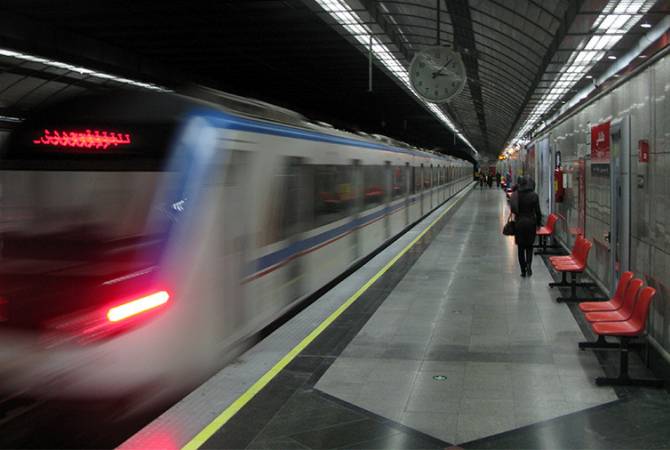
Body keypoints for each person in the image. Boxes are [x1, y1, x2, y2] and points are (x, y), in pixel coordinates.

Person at [510, 176, 542, 277]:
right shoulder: (534, 195)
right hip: (531, 223)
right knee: (529, 246)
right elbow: (538, 212)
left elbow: (513, 209)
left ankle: (523, 270)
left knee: (520, 248)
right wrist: (538, 224)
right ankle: (529, 265)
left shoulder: (516, 195)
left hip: (519, 222)